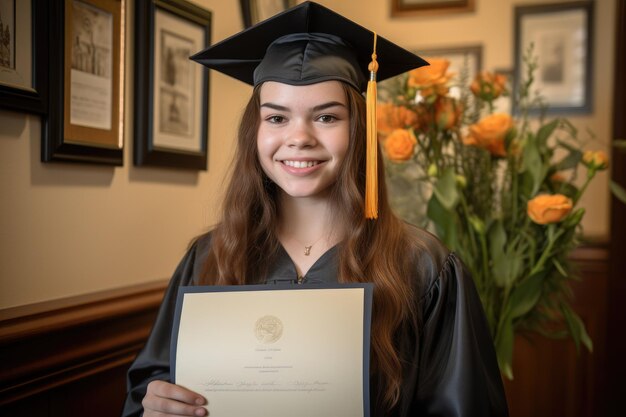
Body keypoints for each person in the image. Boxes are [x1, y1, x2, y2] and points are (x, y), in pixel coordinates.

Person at [121, 2, 509, 416]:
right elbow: (151, 388)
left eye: (326, 117)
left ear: (359, 130)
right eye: (277, 118)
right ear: (255, 130)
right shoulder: (208, 257)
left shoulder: (424, 268)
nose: (299, 137)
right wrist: (156, 407)